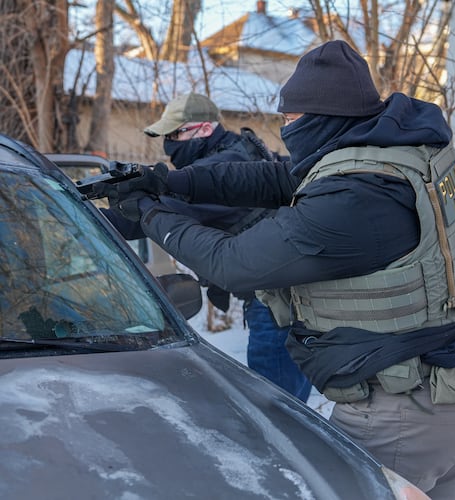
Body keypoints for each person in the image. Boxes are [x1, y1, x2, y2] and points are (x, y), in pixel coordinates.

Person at [102, 41, 455, 499]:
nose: (285, 129)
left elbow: (233, 263)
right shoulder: (398, 152)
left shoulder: (354, 200)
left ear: (322, 118)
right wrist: (173, 182)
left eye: (290, 119)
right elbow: (277, 177)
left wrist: (149, 214)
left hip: (405, 409)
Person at [101, 92, 312, 403]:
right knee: (286, 405)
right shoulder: (236, 153)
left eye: (176, 133)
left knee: (276, 408)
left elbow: (151, 215)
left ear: (204, 129)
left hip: (277, 303)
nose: (169, 143)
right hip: (281, 296)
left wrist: (75, 213)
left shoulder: (227, 164)